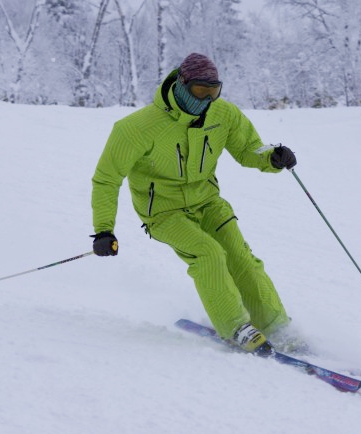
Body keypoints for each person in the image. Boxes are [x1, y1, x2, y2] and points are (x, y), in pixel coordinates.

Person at [90, 53, 298, 356]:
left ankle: (276, 325)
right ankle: (236, 326)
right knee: (209, 254)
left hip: (208, 201)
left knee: (241, 257)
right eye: (202, 92)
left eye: (214, 93)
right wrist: (103, 230)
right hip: (163, 212)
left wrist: (272, 157)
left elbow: (248, 149)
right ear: (181, 85)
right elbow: (107, 179)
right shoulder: (136, 128)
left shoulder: (223, 114)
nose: (207, 100)